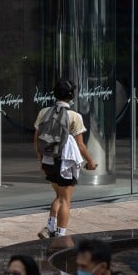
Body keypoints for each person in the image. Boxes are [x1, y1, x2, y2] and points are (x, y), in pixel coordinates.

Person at [34, 79, 97, 239]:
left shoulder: (44, 113)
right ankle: (60, 236)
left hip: (49, 160)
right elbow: (81, 146)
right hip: (66, 163)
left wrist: (41, 160)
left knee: (59, 196)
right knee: (65, 200)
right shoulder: (75, 116)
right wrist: (91, 162)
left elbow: (36, 140)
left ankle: (49, 227)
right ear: (71, 96)